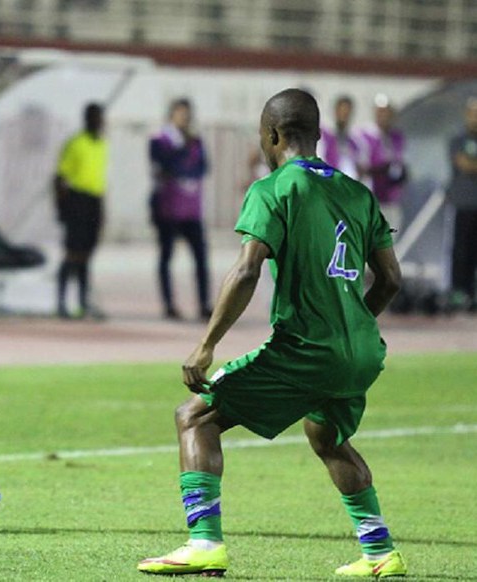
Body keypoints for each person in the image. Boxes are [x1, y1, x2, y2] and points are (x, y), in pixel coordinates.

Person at [138, 89, 406, 578]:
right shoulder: (357, 192)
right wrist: (353, 323)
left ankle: (204, 543)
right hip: (364, 351)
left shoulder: (274, 188)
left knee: (195, 418)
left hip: (306, 348)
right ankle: (380, 551)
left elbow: (246, 271)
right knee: (327, 435)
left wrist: (206, 345)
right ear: (318, 135)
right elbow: (390, 279)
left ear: (273, 135)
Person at [149, 98, 212, 321]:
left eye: (187, 114)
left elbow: (203, 167)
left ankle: (204, 303)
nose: (184, 118)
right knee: (166, 255)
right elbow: (163, 165)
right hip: (168, 208)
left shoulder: (196, 141)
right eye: (180, 114)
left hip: (191, 210)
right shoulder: (160, 140)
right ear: (171, 115)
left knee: (201, 256)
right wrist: (183, 154)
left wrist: (187, 173)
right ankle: (168, 304)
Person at [54, 102, 108, 319]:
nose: (99, 121)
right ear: (87, 119)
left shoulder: (102, 144)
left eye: (101, 117)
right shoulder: (76, 143)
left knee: (86, 255)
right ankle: (61, 302)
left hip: (94, 201)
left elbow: (99, 179)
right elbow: (60, 177)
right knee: (72, 253)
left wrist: (102, 209)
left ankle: (83, 302)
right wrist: (62, 208)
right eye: (95, 117)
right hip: (77, 200)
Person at [359, 94, 408, 234]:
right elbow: (362, 167)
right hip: (372, 196)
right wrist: (381, 169)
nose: (383, 116)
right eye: (380, 111)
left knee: (390, 237)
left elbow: (400, 162)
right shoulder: (365, 135)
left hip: (392, 198)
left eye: (386, 112)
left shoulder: (396, 137)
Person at [447, 96, 477, 312]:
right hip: (463, 203)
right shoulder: (457, 139)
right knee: (460, 250)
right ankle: (458, 291)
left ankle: (473, 293)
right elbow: (463, 164)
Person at [319, 95, 361, 180]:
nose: (344, 114)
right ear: (335, 111)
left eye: (347, 111)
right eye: (341, 110)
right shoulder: (325, 136)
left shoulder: (354, 140)